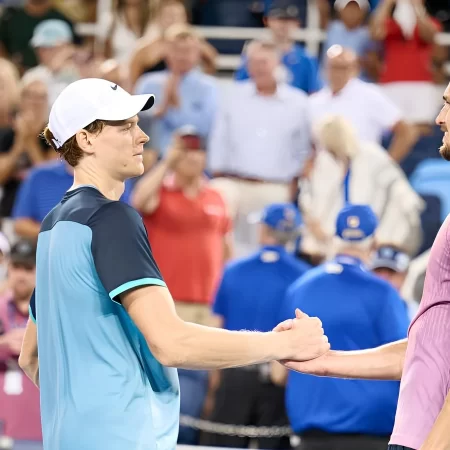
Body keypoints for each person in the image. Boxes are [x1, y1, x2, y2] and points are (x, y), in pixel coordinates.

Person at [17, 78, 330, 450]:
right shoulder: (111, 218)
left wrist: (85, 406)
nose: (143, 137)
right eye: (126, 126)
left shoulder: (54, 225)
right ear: (86, 140)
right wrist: (282, 345)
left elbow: (30, 357)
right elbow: (172, 343)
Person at [278, 81, 450, 450]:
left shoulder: (307, 284)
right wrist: (328, 362)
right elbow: (426, 350)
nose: (438, 118)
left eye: (449, 105)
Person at [273, 204, 409, 450]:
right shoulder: (383, 292)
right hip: (370, 433)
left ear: (335, 237)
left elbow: (278, 372)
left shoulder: (300, 287)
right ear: (373, 241)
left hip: (310, 433)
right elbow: (408, 362)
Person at [131, 125, 232, 445]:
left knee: (201, 384)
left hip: (207, 305)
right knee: (169, 380)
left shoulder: (216, 195)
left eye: (196, 150)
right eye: (184, 150)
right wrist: (165, 164)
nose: (191, 157)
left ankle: (186, 440)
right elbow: (139, 200)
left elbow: (225, 246)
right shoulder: (162, 191)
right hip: (169, 303)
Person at [201, 203, 311, 449]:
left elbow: (216, 327)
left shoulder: (234, 270)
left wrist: (213, 385)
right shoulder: (305, 278)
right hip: (277, 379)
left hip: (233, 372)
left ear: (263, 231)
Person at [209, 39, 311, 257]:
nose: (258, 67)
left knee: (272, 246)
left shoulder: (298, 102)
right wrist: (218, 173)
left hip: (275, 186)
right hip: (234, 182)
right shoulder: (232, 96)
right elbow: (218, 142)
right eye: (252, 61)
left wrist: (292, 187)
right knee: (216, 197)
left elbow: (305, 150)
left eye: (263, 61)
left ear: (278, 64)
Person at [309, 45, 416, 162]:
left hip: (362, 168)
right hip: (325, 171)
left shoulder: (370, 95)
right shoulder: (314, 102)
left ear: (355, 69)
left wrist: (385, 165)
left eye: (344, 68)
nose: (338, 73)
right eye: (334, 67)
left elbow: (407, 132)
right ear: (326, 69)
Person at [235, 0, 322, 94]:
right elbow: (240, 86)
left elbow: (314, 92)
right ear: (267, 21)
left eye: (289, 20)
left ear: (297, 24)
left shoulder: (306, 58)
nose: (283, 25)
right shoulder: (254, 54)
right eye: (279, 19)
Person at [0, 240, 41, 442]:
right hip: (4, 425)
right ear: (8, 268)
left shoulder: (50, 311)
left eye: (28, 268)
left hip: (40, 427)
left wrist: (35, 345)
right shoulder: (0, 308)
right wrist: (3, 344)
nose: (21, 275)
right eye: (16, 267)